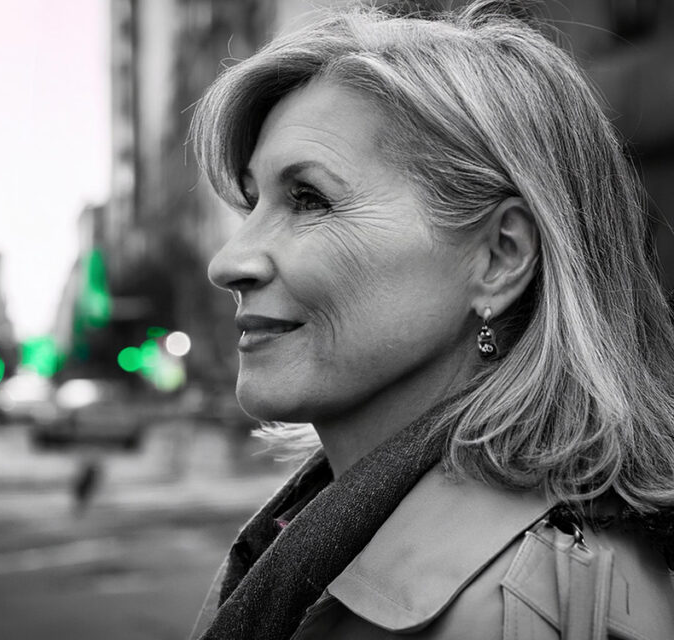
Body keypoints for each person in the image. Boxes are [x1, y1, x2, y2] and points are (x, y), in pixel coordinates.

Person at [187, 2, 674, 639]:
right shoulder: (326, 540)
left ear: (500, 258)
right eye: (254, 203)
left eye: (309, 199)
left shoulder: (508, 616)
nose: (230, 261)